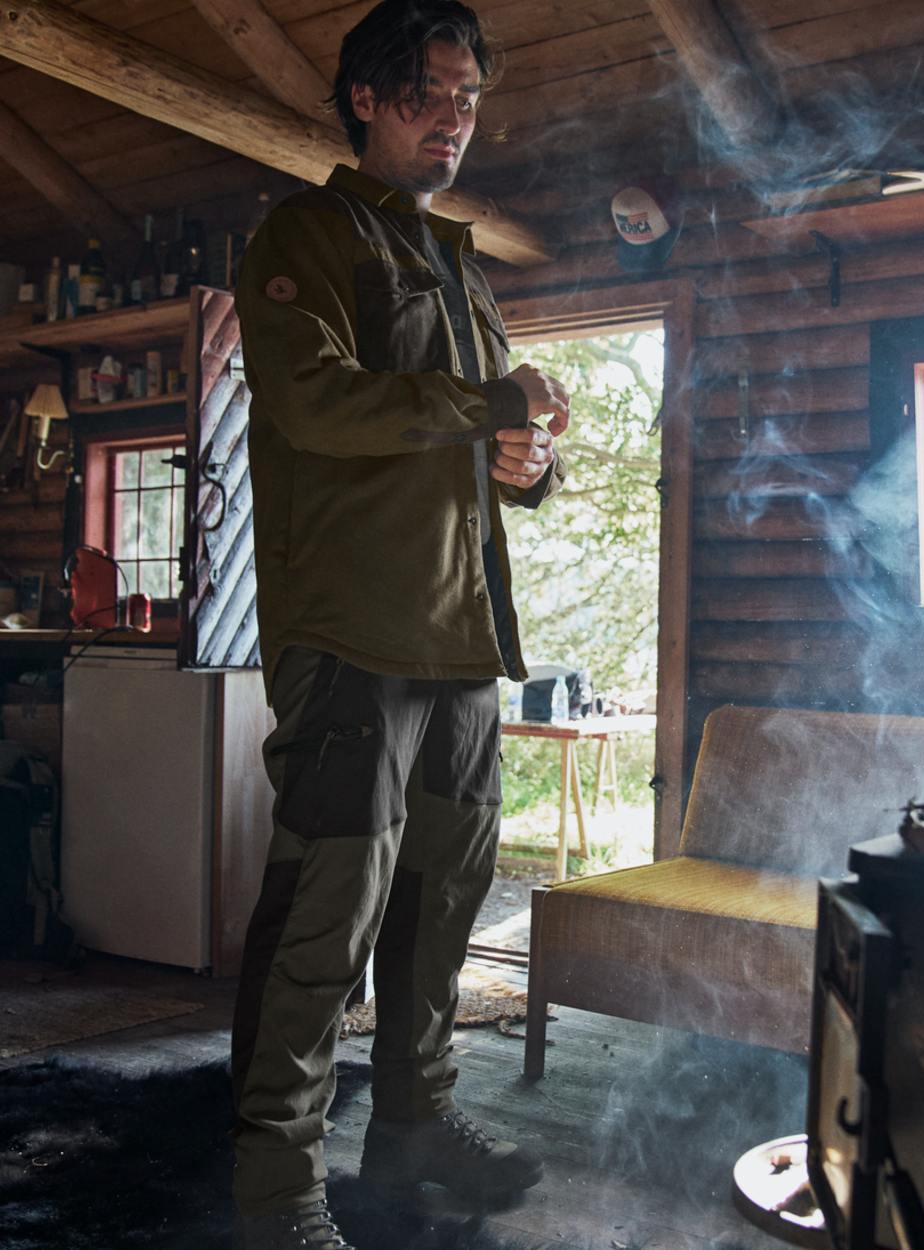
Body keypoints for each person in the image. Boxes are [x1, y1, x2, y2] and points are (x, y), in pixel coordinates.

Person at [231, 2, 569, 1246]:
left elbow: (475, 444)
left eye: (468, 98)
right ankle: (276, 1191)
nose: (453, 117)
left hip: (464, 639)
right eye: (428, 91)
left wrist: (522, 457)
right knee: (329, 911)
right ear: (365, 99)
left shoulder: (465, 265)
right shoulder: (305, 234)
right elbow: (316, 404)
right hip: (352, 636)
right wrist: (480, 402)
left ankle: (415, 1129)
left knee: (441, 902)